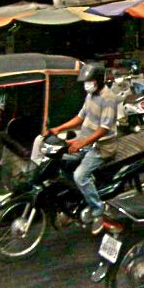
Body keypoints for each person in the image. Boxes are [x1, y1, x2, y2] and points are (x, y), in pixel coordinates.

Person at [49, 62, 119, 234]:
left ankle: (98, 211)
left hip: (102, 147)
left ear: (99, 81)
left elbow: (104, 129)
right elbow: (80, 117)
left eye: (90, 81)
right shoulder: (90, 95)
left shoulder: (108, 98)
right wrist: (59, 128)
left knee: (79, 176)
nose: (87, 85)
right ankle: (81, 197)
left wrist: (82, 143)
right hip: (86, 142)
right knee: (63, 163)